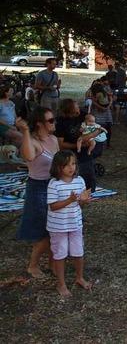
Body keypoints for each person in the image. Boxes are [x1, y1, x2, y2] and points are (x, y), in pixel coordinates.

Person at [15, 108, 59, 278]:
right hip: (38, 187)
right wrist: (25, 131)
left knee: (54, 229)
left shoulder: (54, 139)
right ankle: (33, 265)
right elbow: (29, 157)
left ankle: (52, 262)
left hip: (53, 185)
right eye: (50, 120)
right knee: (43, 231)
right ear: (40, 123)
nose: (54, 123)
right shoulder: (33, 141)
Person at [47, 150, 93, 296]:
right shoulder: (54, 184)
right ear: (58, 167)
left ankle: (79, 277)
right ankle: (61, 284)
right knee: (60, 254)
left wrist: (84, 201)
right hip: (58, 226)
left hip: (75, 224)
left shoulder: (79, 181)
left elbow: (80, 204)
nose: (71, 167)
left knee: (78, 252)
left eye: (73, 163)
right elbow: (53, 206)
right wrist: (69, 200)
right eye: (66, 165)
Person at [55, 99, 102, 192]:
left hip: (85, 153)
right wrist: (77, 146)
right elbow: (60, 144)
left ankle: (88, 193)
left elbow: (98, 129)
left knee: (89, 178)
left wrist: (87, 137)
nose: (78, 112)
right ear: (67, 113)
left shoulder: (83, 115)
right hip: (70, 154)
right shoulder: (60, 122)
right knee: (72, 177)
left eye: (78, 109)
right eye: (75, 111)